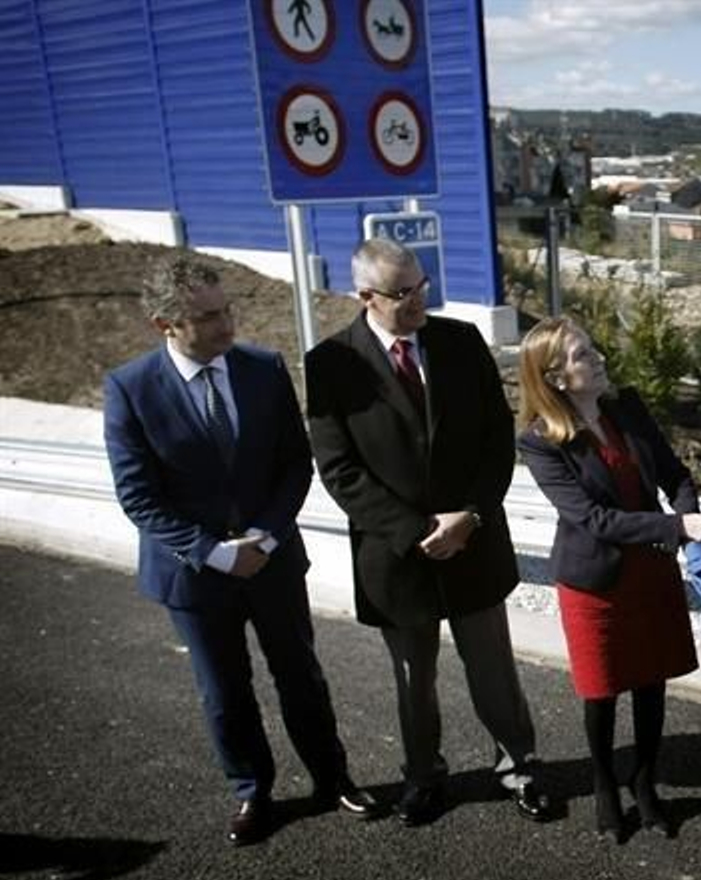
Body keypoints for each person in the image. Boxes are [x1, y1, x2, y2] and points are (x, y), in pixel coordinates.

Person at [104, 257, 378, 845]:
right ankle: (252, 791)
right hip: (195, 576)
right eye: (207, 317)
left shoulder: (262, 367)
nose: (226, 325)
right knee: (223, 690)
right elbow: (139, 498)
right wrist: (214, 552)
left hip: (272, 559)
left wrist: (268, 535)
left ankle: (333, 778)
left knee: (301, 674)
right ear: (165, 324)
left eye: (227, 309)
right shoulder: (129, 389)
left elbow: (293, 464)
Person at [304, 238, 554, 828]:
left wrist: (469, 515)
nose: (419, 301)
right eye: (402, 293)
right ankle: (423, 777)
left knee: (493, 668)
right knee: (413, 679)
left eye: (421, 287)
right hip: (398, 555)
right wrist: (417, 530)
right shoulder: (330, 364)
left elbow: (498, 440)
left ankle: (519, 768)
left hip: (472, 540)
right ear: (365, 296)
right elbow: (339, 469)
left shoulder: (460, 343)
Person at [516, 316, 701, 842]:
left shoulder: (624, 406)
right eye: (586, 354)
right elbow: (593, 520)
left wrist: (686, 513)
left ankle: (645, 781)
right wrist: (676, 525)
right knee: (602, 692)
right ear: (558, 377)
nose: (600, 357)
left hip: (650, 566)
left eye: (594, 349)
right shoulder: (541, 442)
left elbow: (675, 474)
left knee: (652, 680)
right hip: (595, 582)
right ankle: (605, 785)